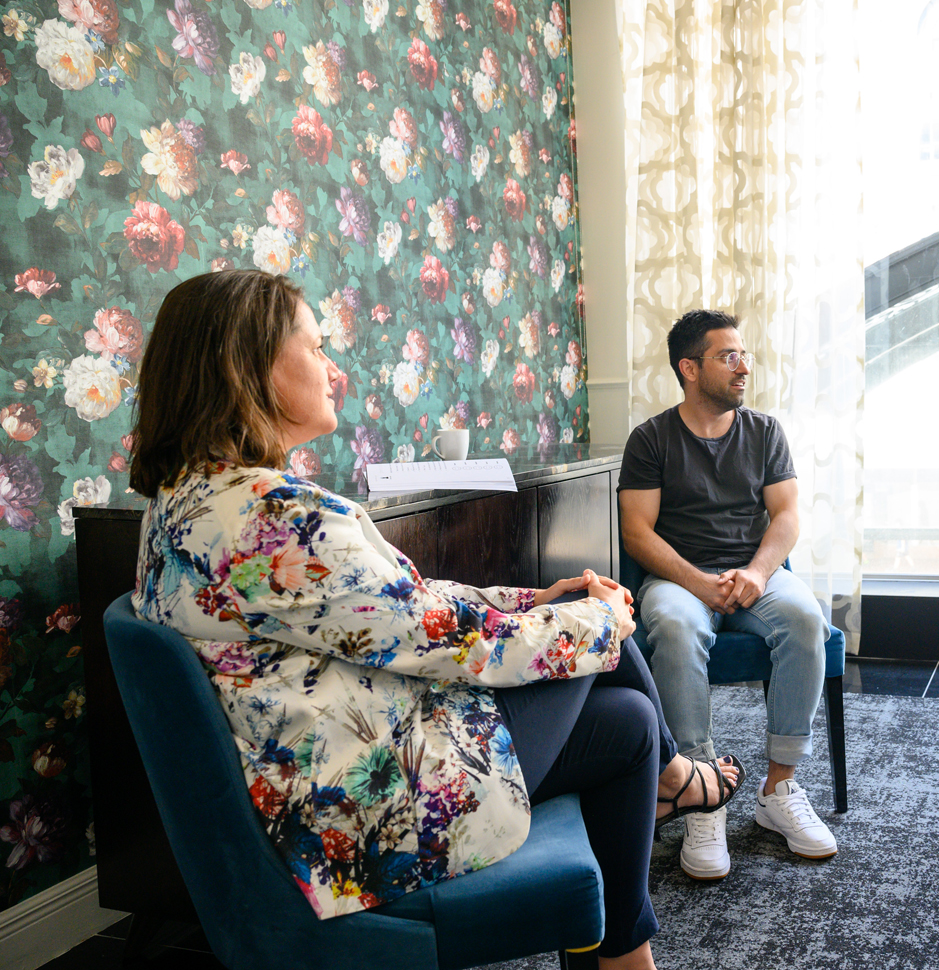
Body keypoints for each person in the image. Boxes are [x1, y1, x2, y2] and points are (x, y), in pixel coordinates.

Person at [128, 270, 741, 970]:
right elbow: (456, 646)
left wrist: (537, 602)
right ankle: (672, 788)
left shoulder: (189, 502)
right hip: (370, 811)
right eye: (316, 347)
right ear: (248, 367)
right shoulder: (277, 520)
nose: (334, 369)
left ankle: (634, 914)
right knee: (606, 645)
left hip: (324, 765)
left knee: (626, 717)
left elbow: (406, 604)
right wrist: (596, 620)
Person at [618, 309, 837, 881]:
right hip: (679, 579)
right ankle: (700, 792)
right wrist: (698, 584)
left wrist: (760, 573)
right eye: (727, 356)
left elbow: (786, 516)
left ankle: (778, 789)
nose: (744, 366)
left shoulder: (764, 432)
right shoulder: (650, 439)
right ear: (689, 368)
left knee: (807, 619)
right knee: (674, 626)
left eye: (744, 354)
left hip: (755, 573)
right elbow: (636, 532)